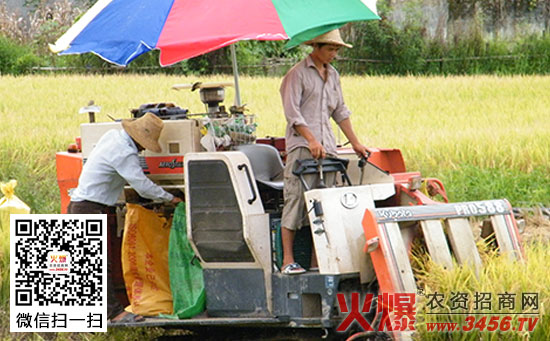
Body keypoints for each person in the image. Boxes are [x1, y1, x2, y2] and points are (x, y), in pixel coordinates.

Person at [67, 113, 182, 322]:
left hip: (83, 205)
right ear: (139, 140)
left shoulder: (112, 136)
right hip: (89, 208)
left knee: (95, 263)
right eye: (144, 145)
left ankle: (102, 315)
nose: (143, 150)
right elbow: (142, 186)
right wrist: (171, 198)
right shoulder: (125, 153)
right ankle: (114, 314)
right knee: (99, 264)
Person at [279, 29, 369, 275]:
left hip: (327, 148)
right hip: (302, 149)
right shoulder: (296, 75)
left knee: (325, 204)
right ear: (316, 48)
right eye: (330, 49)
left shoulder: (334, 76)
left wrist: (356, 143)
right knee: (296, 201)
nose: (334, 54)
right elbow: (293, 114)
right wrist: (311, 140)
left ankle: (320, 261)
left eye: (336, 50)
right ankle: (288, 259)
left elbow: (340, 111)